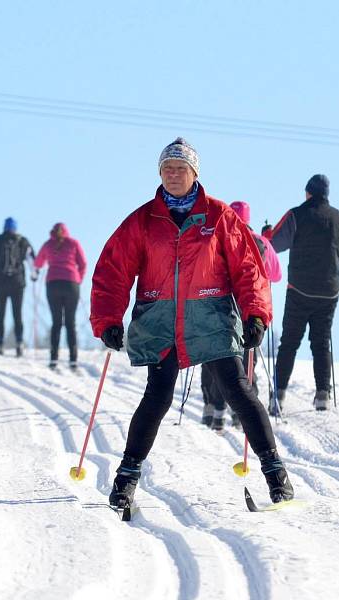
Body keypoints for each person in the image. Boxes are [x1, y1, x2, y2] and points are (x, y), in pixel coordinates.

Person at [90, 137, 294, 508]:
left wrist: (255, 314)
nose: (173, 175)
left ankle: (276, 474)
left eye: (180, 169)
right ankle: (126, 479)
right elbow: (112, 270)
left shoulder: (219, 217)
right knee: (158, 396)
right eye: (167, 169)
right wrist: (108, 319)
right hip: (160, 321)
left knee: (238, 391)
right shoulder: (143, 221)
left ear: (195, 173)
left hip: (211, 319)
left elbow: (249, 269)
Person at [263, 174, 339, 411]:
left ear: (308, 192)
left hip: (300, 289)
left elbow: (274, 243)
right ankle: (323, 394)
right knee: (321, 342)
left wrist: (266, 233)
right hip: (329, 290)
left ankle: (278, 395)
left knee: (290, 342)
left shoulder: (296, 215)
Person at [201, 200, 282, 431]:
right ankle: (242, 413)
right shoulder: (260, 241)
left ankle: (214, 409)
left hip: (222, 305)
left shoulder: (216, 236)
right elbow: (275, 275)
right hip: (250, 308)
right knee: (247, 358)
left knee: (217, 355)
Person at [0, 217, 37, 356]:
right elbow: (31, 260)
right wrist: (33, 275)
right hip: (18, 283)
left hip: (0, 283)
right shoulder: (22, 241)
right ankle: (19, 343)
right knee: (17, 314)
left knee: (0, 314)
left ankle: (0, 343)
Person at [34, 223, 87, 370]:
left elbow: (38, 263)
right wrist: (78, 279)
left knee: (56, 322)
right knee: (70, 322)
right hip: (71, 284)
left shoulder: (48, 244)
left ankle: (53, 359)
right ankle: (73, 359)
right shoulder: (73, 243)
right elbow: (83, 264)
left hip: (53, 284)